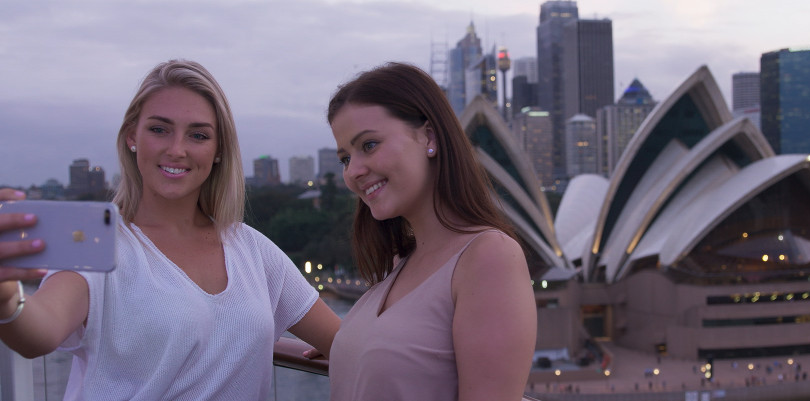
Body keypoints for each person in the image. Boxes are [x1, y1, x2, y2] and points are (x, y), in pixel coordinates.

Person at [0, 60, 340, 400]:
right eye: (160, 129)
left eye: (198, 135)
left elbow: (344, 341)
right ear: (132, 136)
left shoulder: (251, 249)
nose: (177, 149)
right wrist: (6, 298)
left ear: (218, 149)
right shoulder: (100, 247)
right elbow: (39, 331)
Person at [324, 62, 537, 400]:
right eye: (344, 158)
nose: (353, 172)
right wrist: (352, 347)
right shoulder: (402, 261)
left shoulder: (488, 256)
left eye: (368, 145)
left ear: (429, 137)